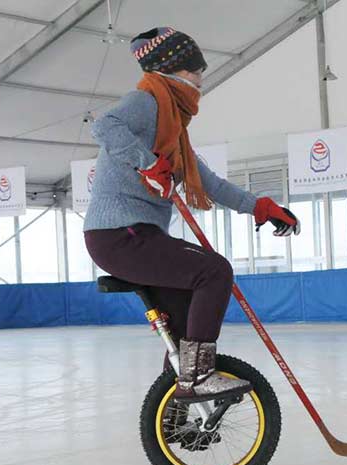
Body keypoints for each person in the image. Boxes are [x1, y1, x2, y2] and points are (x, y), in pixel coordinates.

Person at [84, 27, 300, 403]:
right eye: (196, 70)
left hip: (138, 235)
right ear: (174, 70)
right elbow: (104, 126)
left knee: (184, 321)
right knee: (213, 271)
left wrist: (262, 208)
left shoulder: (174, 134)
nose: (200, 79)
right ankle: (198, 376)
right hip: (119, 233)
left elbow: (211, 184)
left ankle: (176, 416)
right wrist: (147, 163)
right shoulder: (148, 100)